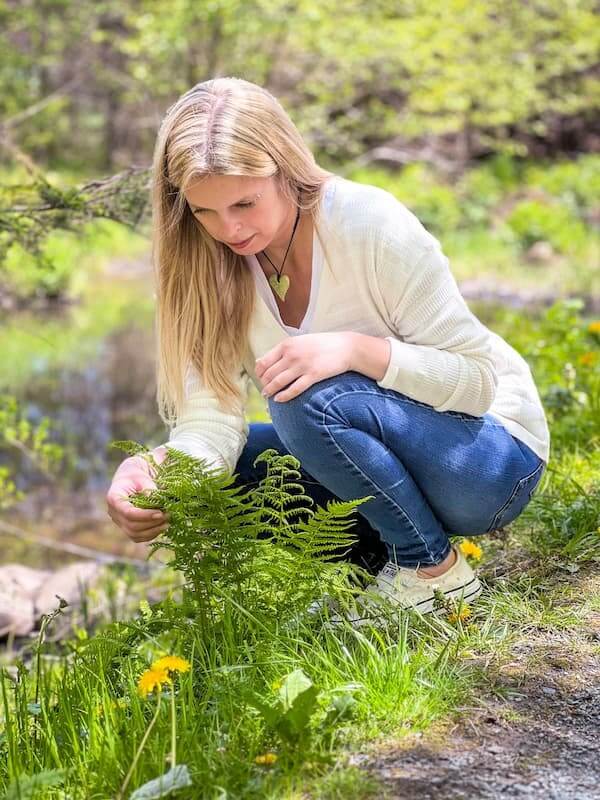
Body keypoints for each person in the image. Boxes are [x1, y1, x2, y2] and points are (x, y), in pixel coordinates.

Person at [106, 77, 550, 617]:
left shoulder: (369, 224)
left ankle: (430, 569)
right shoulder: (202, 268)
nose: (229, 228)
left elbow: (478, 382)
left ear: (284, 168)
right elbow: (211, 421)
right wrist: (161, 468)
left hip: (488, 460)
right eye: (205, 212)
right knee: (206, 481)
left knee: (300, 392)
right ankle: (386, 571)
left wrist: (358, 351)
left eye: (245, 202)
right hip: (385, 463)